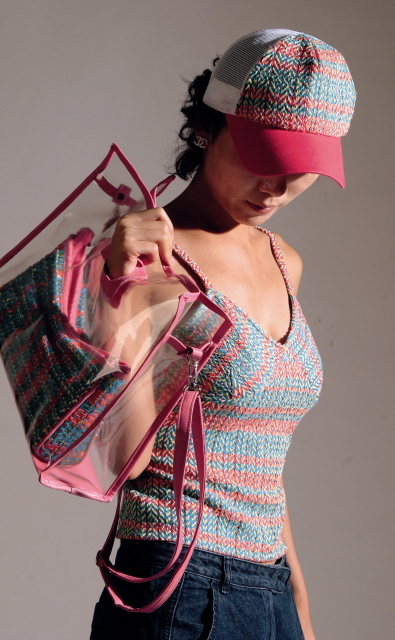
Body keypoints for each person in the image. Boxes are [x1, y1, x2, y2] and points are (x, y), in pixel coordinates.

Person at [90, 29, 356, 640]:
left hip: (270, 586)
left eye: (301, 167)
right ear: (208, 127)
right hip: (177, 583)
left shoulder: (285, 261)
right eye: (264, 156)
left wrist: (296, 598)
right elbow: (125, 459)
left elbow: (260, 454)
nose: (277, 187)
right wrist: (116, 292)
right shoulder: (146, 259)